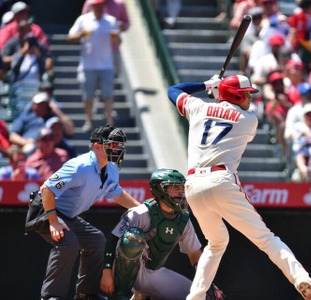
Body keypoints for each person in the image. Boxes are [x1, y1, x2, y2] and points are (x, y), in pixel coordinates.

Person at [167, 74, 311, 300]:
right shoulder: (248, 119)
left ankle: (196, 297)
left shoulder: (198, 107)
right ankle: (302, 279)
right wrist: (218, 92)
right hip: (221, 179)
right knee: (265, 238)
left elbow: (173, 90)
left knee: (217, 241)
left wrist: (207, 86)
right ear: (234, 95)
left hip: (192, 185)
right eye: (246, 94)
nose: (250, 99)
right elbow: (225, 114)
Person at [35, 125, 141, 300]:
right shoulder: (80, 166)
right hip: (45, 209)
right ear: (98, 147)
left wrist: (141, 208)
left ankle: (86, 294)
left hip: (68, 216)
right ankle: (51, 296)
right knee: (68, 241)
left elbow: (118, 194)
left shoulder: (111, 169)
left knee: (96, 240)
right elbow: (47, 189)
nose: (118, 149)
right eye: (113, 145)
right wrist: (53, 221)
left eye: (119, 145)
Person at [100, 168, 225, 300]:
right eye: (175, 188)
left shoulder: (183, 219)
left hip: (152, 272)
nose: (181, 192)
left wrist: (206, 284)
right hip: (122, 269)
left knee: (204, 296)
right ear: (160, 190)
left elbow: (194, 254)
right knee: (132, 238)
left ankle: (140, 296)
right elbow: (113, 239)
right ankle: (122, 295)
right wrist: (107, 271)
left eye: (183, 188)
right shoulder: (141, 213)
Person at [68, 0, 121, 131]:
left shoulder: (111, 21)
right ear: (92, 6)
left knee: (108, 95)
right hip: (88, 65)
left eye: (101, 5)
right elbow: (70, 37)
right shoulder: (83, 20)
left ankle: (109, 121)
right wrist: (81, 34)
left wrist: (115, 38)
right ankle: (89, 119)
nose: (99, 7)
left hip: (106, 64)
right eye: (96, 5)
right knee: (88, 96)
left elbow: (119, 41)